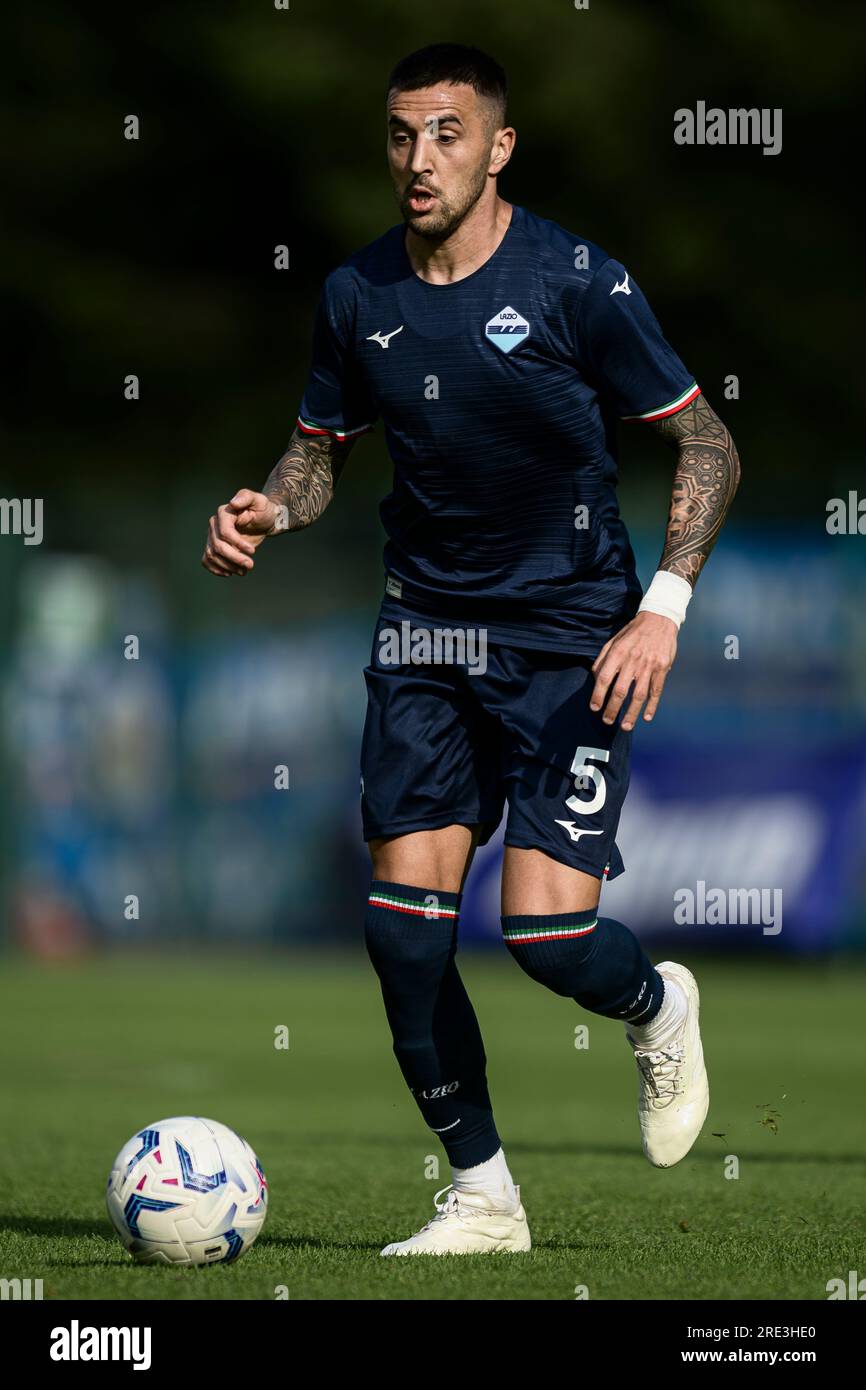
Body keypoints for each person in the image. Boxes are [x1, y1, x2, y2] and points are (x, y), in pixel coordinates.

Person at [202, 42, 740, 1257]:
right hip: (425, 635)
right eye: (399, 134)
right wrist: (271, 507)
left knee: (546, 939)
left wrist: (661, 605)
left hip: (569, 639)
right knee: (402, 928)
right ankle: (483, 1196)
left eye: (446, 133)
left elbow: (706, 443)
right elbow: (318, 449)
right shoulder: (356, 295)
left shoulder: (576, 285)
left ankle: (654, 1007)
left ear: (498, 148)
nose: (418, 159)